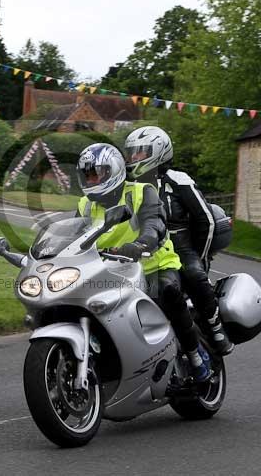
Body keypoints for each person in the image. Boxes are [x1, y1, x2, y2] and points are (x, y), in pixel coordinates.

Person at [75, 143, 212, 383]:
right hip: (109, 271)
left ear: (113, 171)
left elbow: (154, 224)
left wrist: (140, 244)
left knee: (168, 291)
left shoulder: (142, 192)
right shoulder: (85, 205)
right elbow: (73, 237)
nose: (92, 180)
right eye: (87, 175)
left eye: (96, 174)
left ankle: (195, 354)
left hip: (153, 265)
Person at [123, 126, 234, 355]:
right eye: (132, 153)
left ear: (159, 151)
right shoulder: (130, 186)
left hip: (181, 247)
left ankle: (215, 327)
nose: (134, 158)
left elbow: (206, 221)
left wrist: (200, 256)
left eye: (140, 152)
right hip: (148, 247)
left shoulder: (178, 180)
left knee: (194, 274)